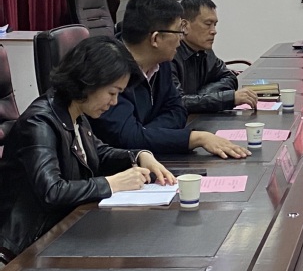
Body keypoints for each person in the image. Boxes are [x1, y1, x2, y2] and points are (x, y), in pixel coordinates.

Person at [0, 36, 175, 264]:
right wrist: (112, 183)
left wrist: (139, 156)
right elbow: (52, 192)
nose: (114, 102)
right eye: (112, 93)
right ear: (90, 81)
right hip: (29, 247)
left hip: (66, 230)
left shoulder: (76, 113)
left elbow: (97, 153)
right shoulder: (39, 123)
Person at [89, 0, 250, 159]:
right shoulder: (109, 69)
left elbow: (178, 110)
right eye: (178, 32)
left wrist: (144, 133)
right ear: (155, 39)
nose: (181, 38)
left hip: (149, 157)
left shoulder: (160, 60)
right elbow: (126, 138)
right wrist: (195, 138)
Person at [171, 0, 257, 113]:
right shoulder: (169, 54)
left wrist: (201, 96)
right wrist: (228, 98)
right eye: (208, 24)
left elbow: (230, 78)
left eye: (215, 25)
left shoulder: (205, 51)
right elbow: (178, 102)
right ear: (184, 26)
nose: (214, 31)